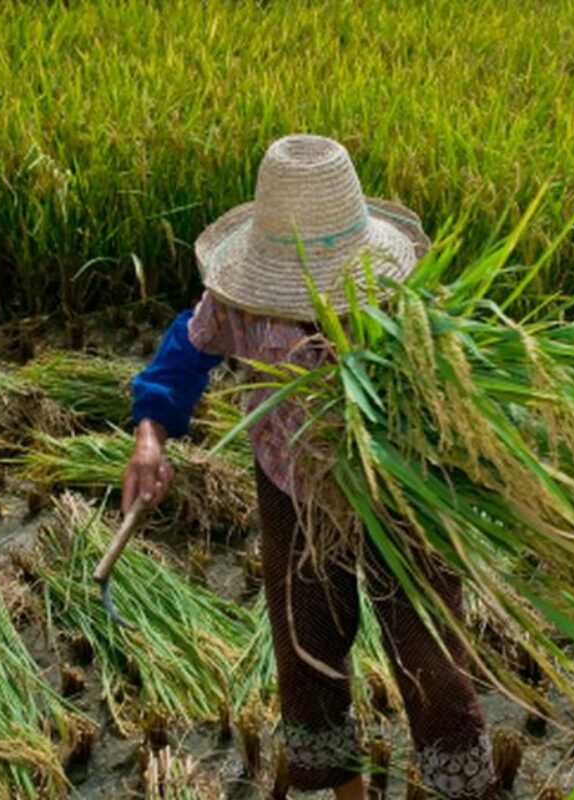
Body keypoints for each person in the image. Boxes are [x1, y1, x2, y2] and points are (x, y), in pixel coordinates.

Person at [123, 134, 496, 800]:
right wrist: (150, 435)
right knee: (307, 649)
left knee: (432, 663)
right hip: (292, 489)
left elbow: (464, 392)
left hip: (398, 490)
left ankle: (454, 786)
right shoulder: (239, 304)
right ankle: (343, 787)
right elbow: (184, 352)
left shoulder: (402, 304)